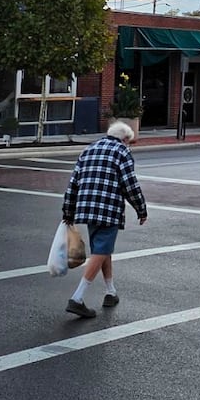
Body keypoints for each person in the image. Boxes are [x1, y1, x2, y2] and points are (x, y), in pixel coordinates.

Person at [60, 120, 147, 318]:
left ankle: (110, 292)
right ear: (125, 139)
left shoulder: (88, 150)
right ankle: (77, 298)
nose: (128, 145)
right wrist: (141, 209)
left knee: (102, 249)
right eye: (129, 142)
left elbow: (74, 182)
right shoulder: (122, 152)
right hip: (108, 208)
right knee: (101, 250)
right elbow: (130, 185)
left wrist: (68, 211)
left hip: (86, 207)